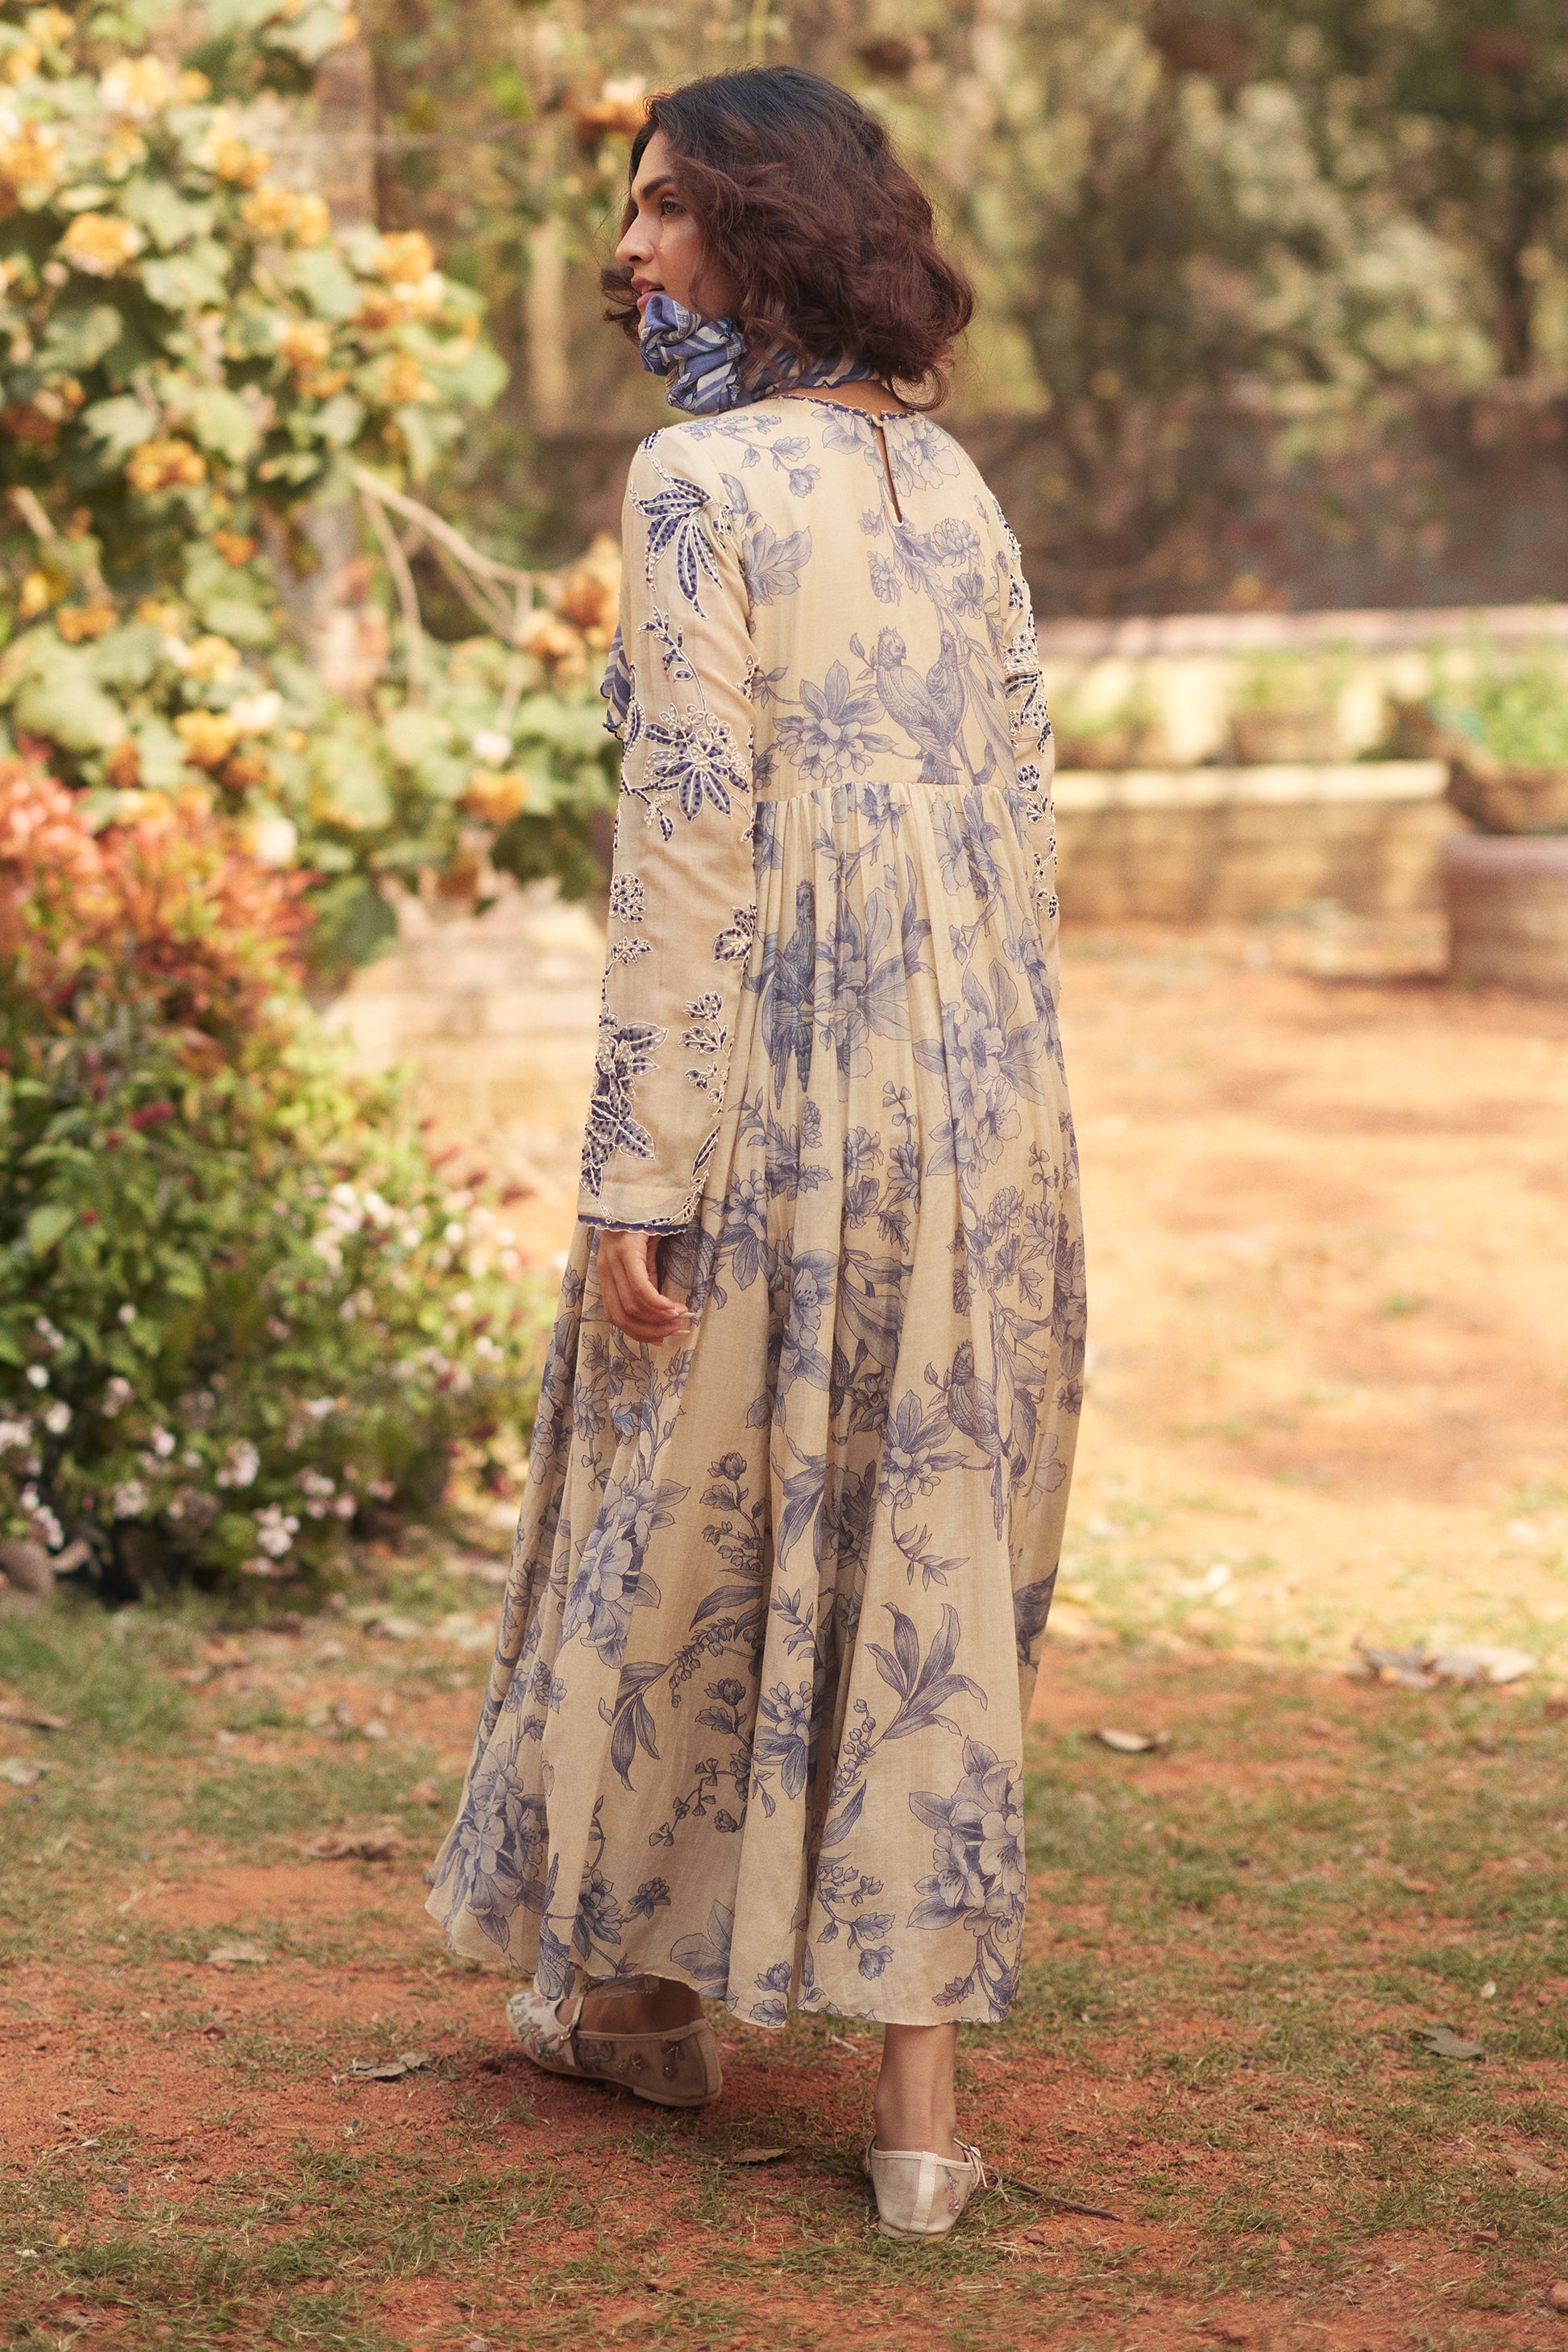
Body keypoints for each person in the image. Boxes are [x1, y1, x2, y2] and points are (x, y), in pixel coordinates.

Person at [426, 63, 1085, 2240]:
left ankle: (640, 1997)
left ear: (763, 227)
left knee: (679, 1505)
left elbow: (690, 843)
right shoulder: (953, 482)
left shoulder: (698, 479)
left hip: (780, 1079)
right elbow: (1022, 820)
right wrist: (1000, 1101)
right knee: (909, 1523)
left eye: (662, 209)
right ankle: (911, 2116)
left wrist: (642, 1161)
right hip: (975, 1091)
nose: (625, 253)